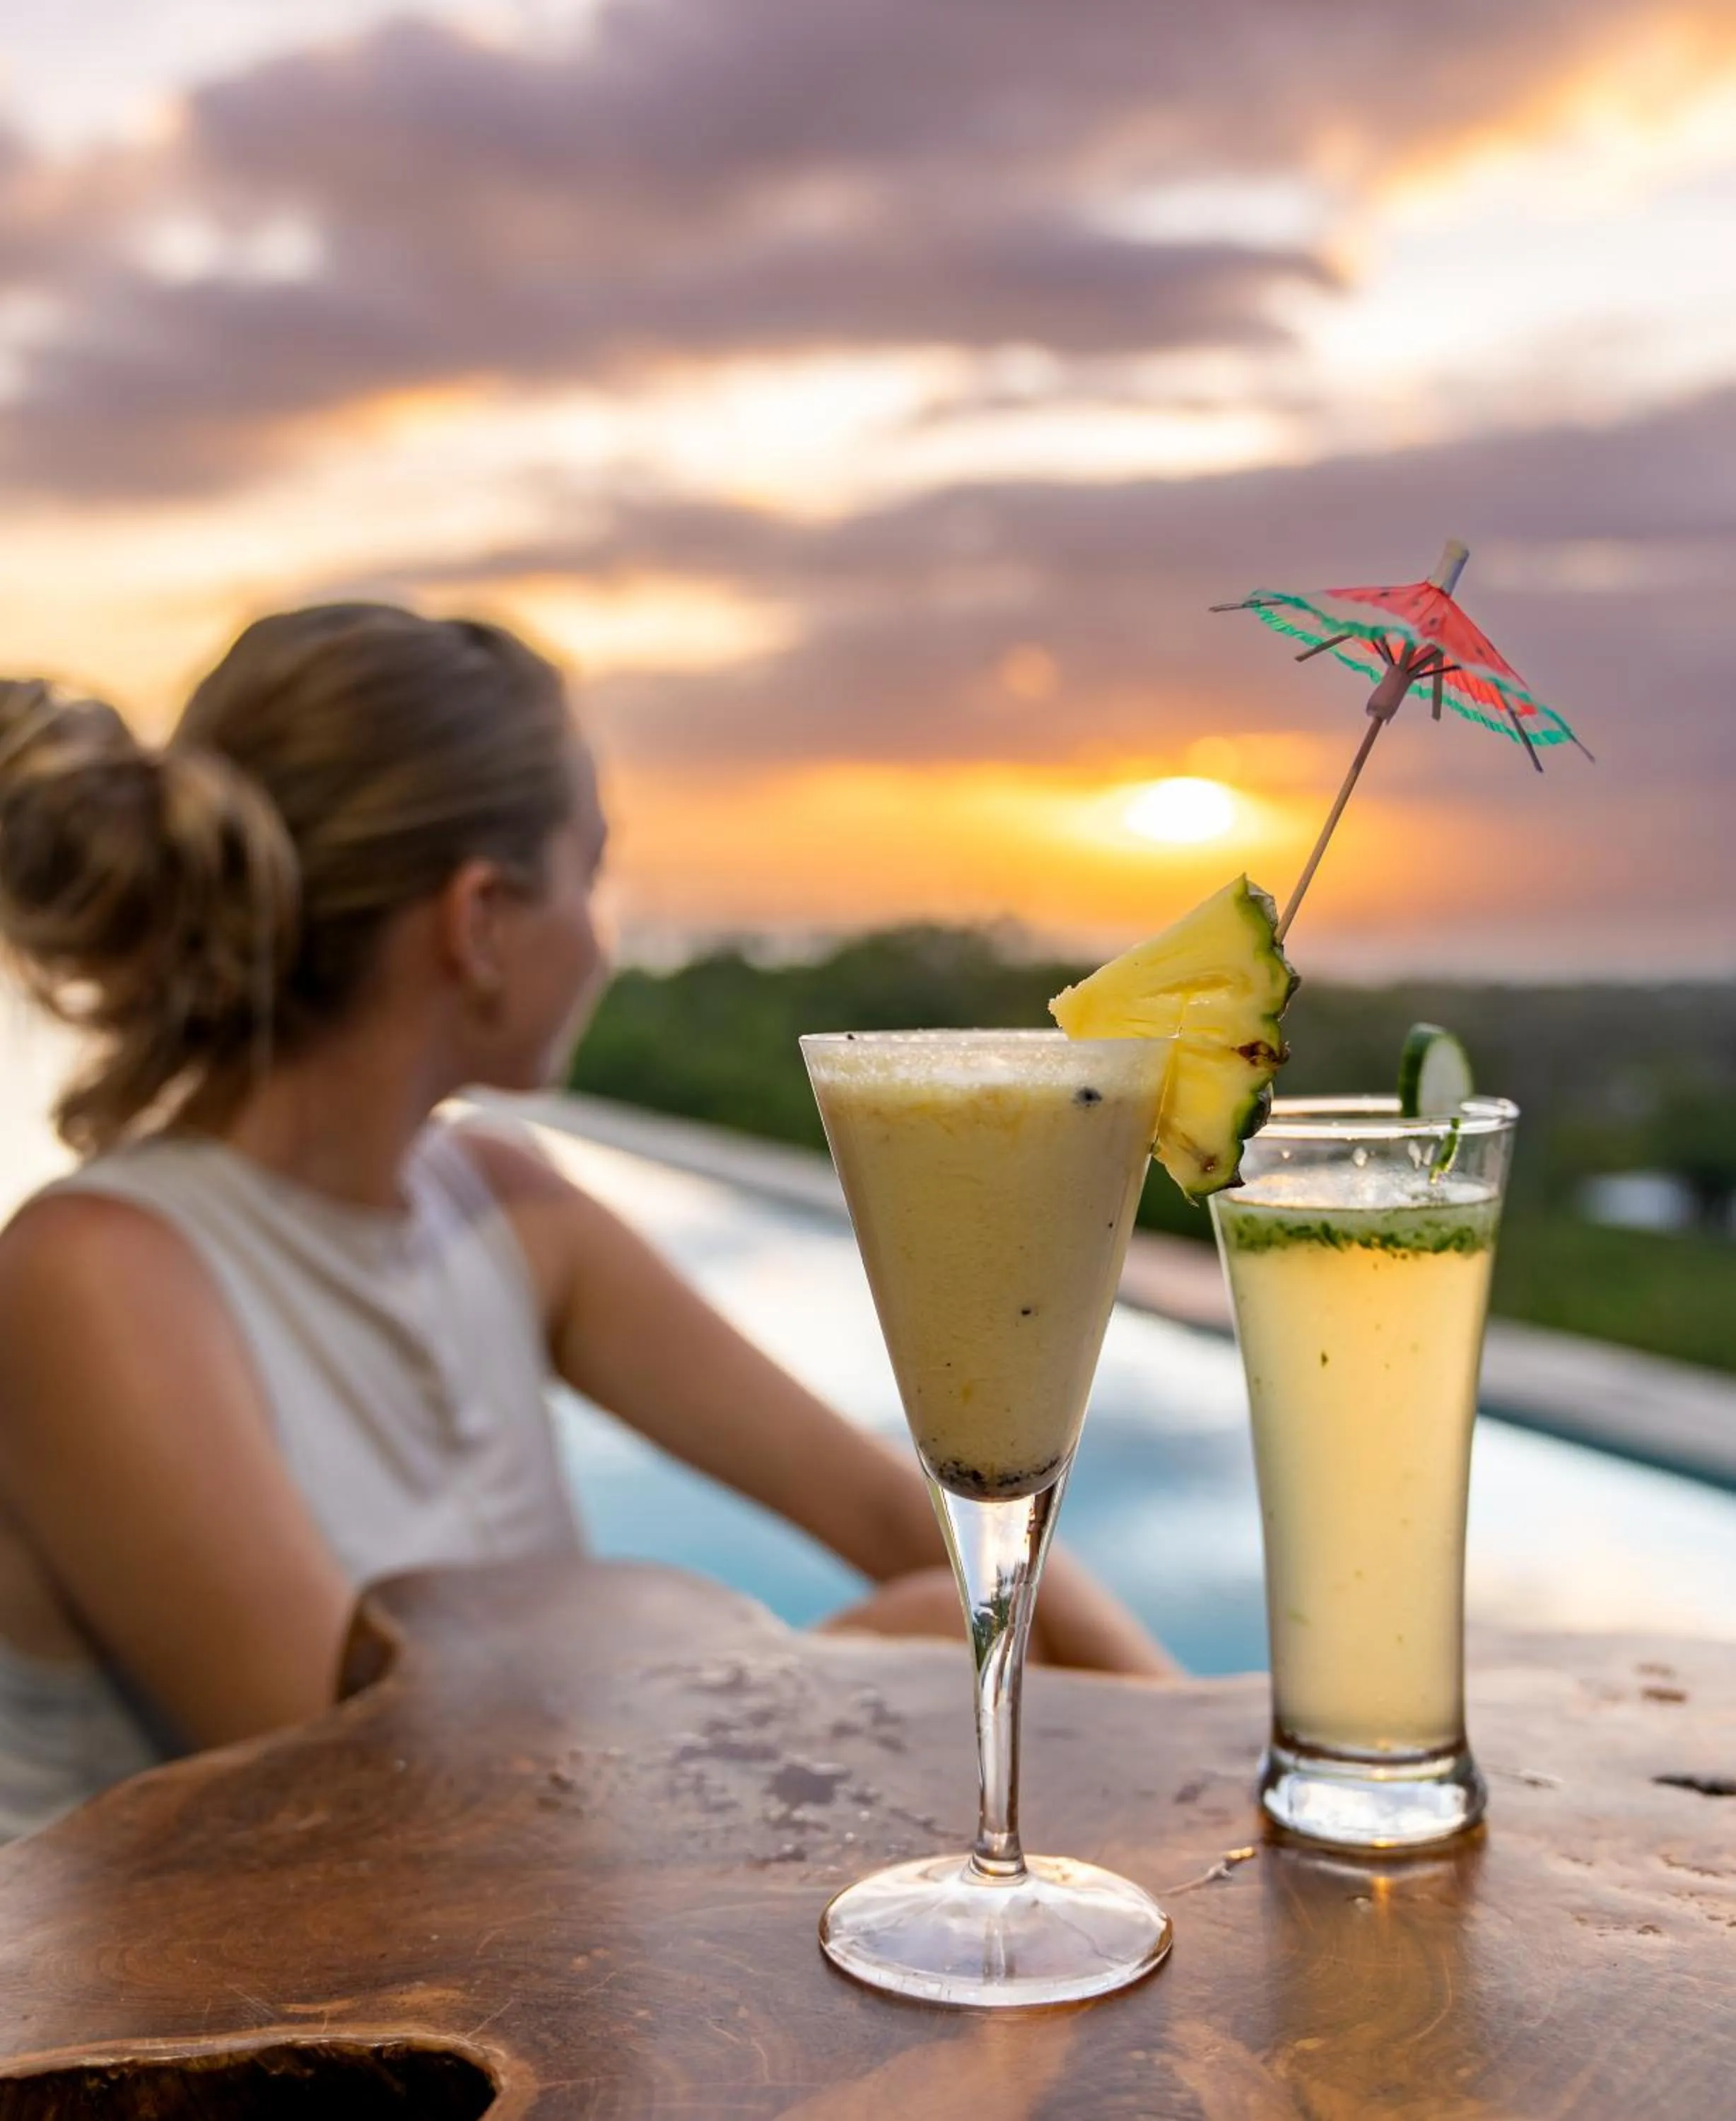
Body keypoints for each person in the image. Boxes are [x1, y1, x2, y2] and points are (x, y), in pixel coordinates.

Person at [0, 604, 1168, 1840]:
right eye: (594, 874)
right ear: (481, 920)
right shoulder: (94, 1281)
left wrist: (1223, 1764)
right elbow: (350, 1809)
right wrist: (832, 1671)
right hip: (182, 2007)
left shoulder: (504, 1206)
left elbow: (908, 1516)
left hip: (478, 1955)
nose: (605, 940)